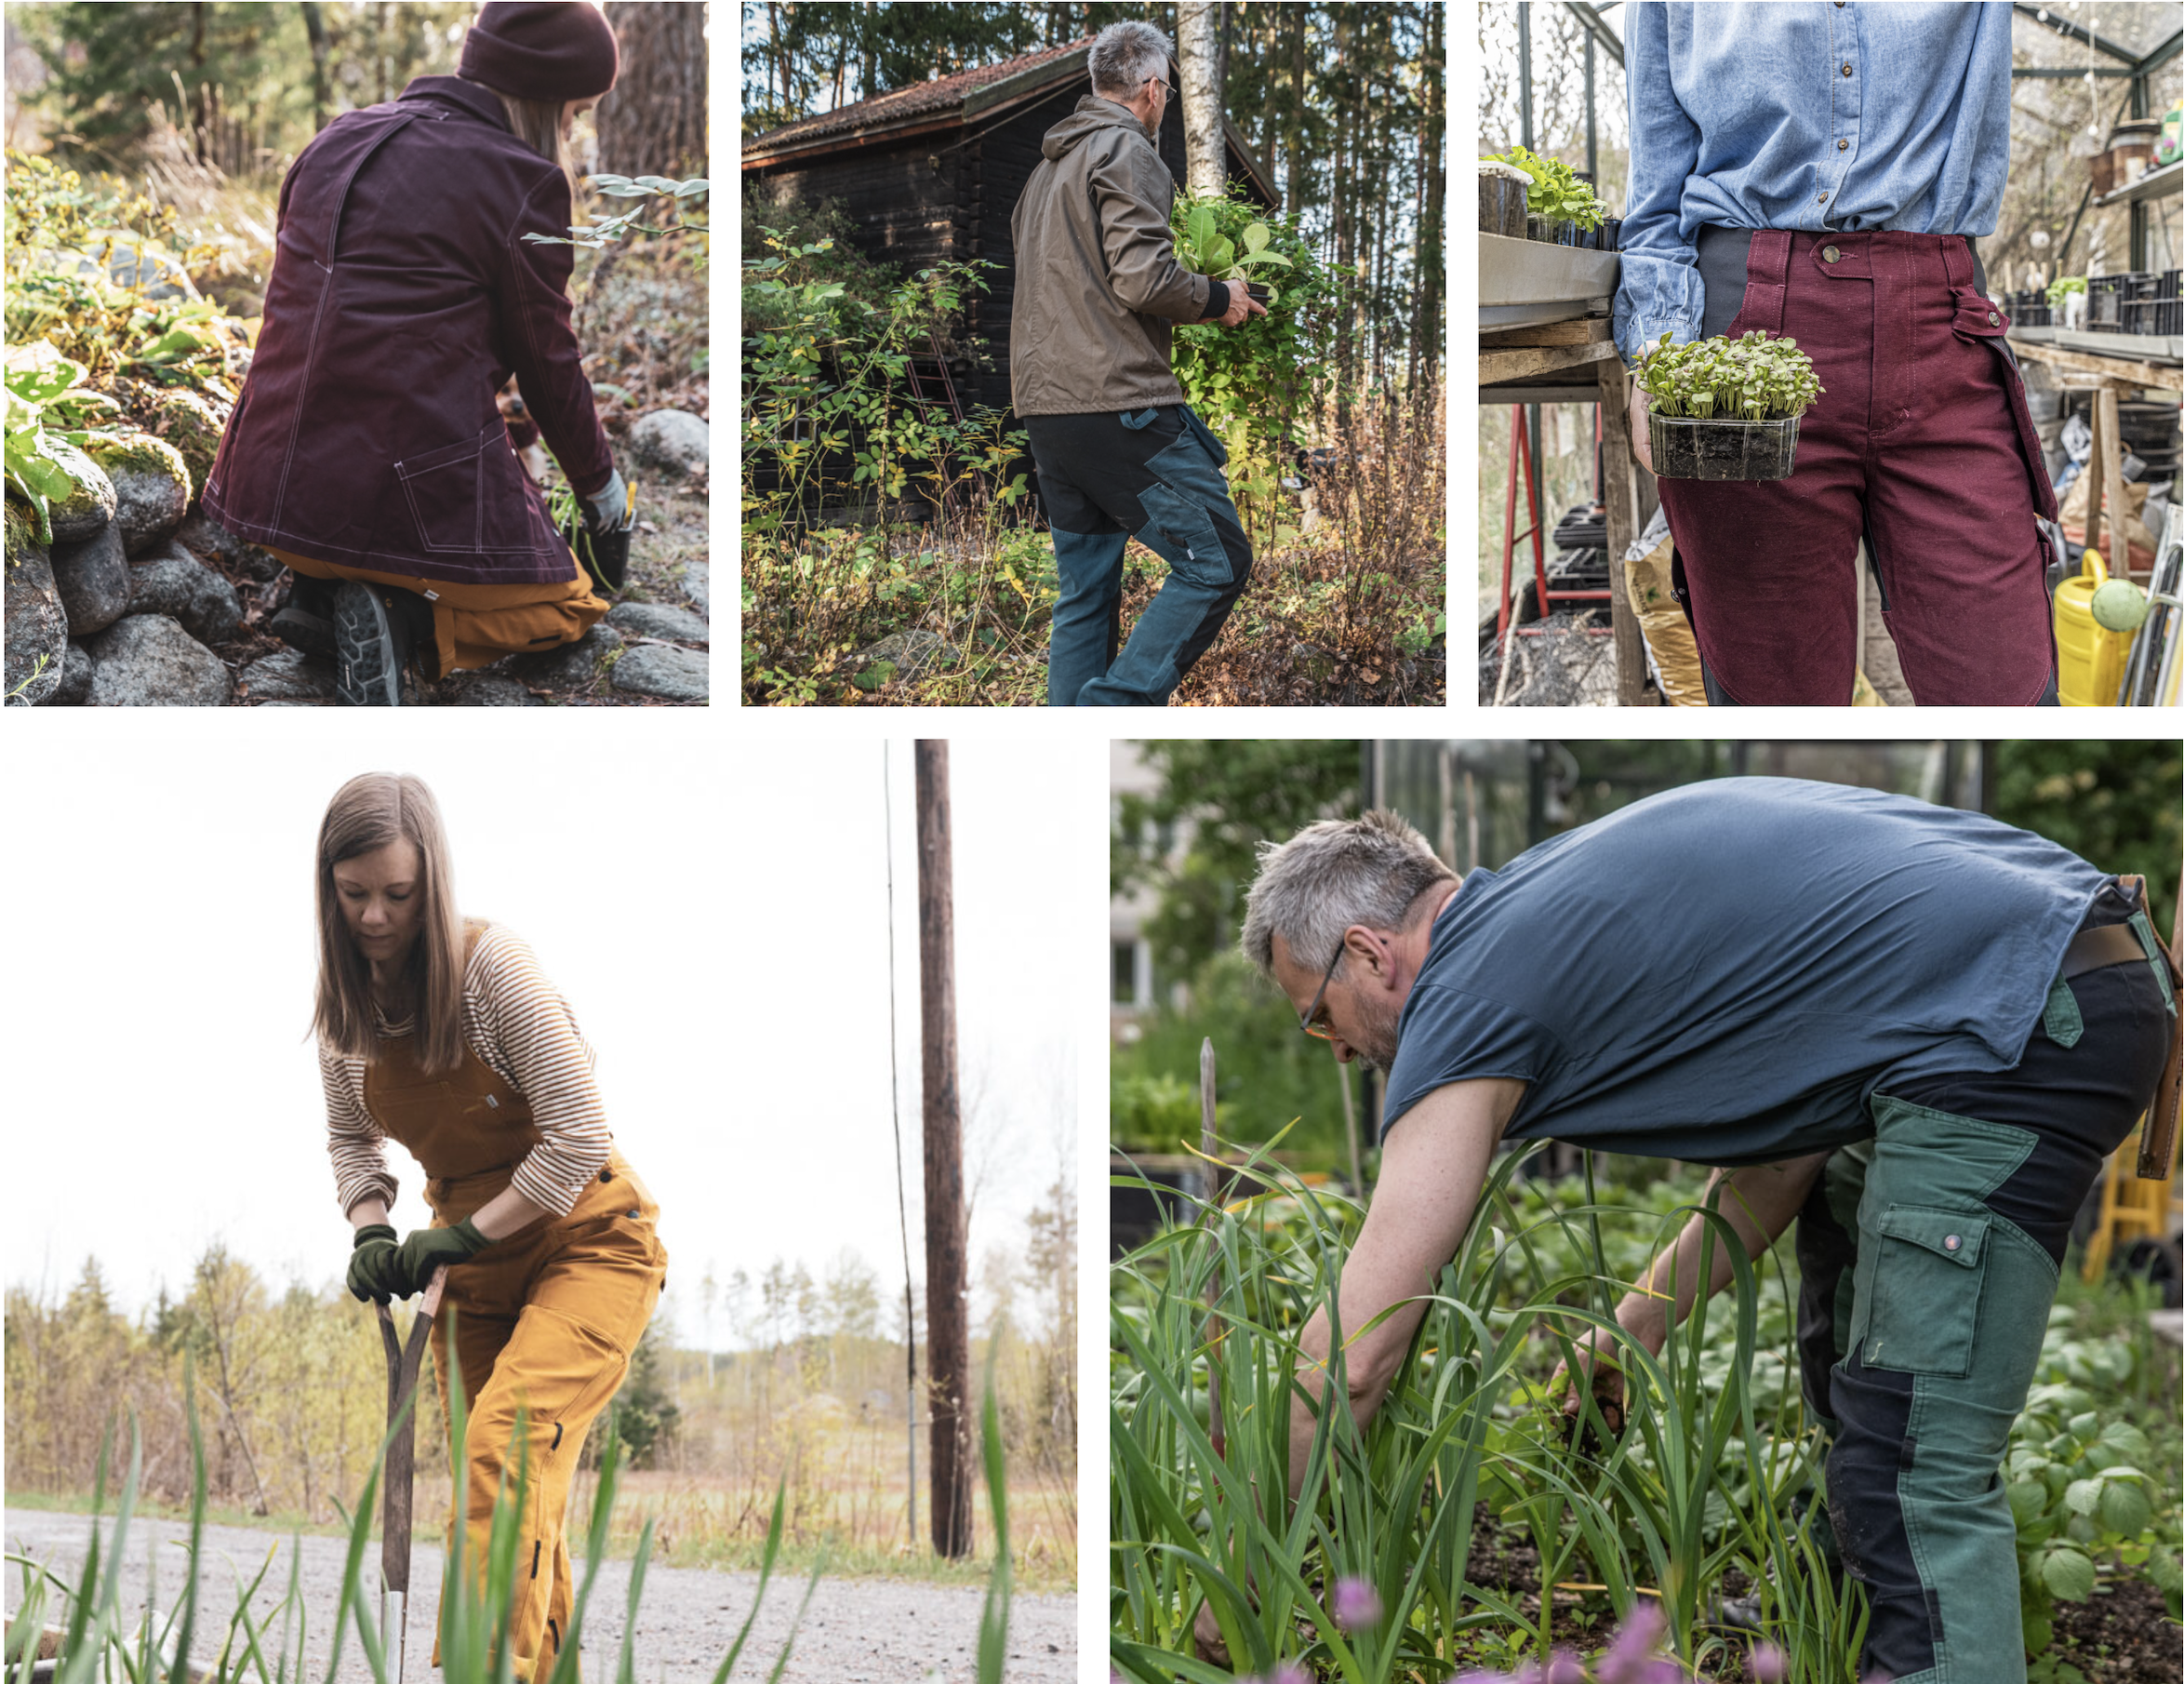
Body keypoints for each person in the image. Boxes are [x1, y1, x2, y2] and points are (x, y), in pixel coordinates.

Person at [1221, 782, 2177, 1684]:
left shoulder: (1467, 994)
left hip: (2014, 1024)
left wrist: (1234, 1585)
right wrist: (1632, 1325)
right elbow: (1780, 1162)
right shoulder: (1543, 916)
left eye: (1318, 1016)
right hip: (2033, 986)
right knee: (1850, 1353)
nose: (1339, 1047)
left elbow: (1353, 1354)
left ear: (1367, 951)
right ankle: (1837, 1638)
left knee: (1911, 1462)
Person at [316, 772, 666, 1677]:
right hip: (469, 1279)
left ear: (431, 882)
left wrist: (468, 1232)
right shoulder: (344, 1019)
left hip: (588, 1237)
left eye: (397, 894)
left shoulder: (490, 971)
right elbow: (354, 1143)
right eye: (353, 895)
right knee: (508, 1488)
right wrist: (369, 1230)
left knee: (502, 1447)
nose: (375, 917)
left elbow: (580, 1132)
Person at [1615, 3, 2062, 706]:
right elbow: (1656, 178)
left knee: (2008, 689)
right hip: (1747, 347)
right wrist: (1661, 352)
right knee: (1773, 706)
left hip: (1940, 328)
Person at [204, 2, 635, 707]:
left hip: (267, 488)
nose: (572, 130)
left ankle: (319, 591)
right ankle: (412, 622)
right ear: (543, 96)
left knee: (379, 508)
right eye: (575, 110)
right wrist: (601, 489)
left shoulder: (336, 137)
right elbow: (549, 361)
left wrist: (511, 435)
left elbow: (350, 331)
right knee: (574, 604)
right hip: (392, 491)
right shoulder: (523, 179)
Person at [1009, 18, 1268, 707]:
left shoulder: (1042, 175)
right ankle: (1109, 708)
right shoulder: (1126, 153)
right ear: (1152, 89)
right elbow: (1143, 279)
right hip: (1115, 403)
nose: (1166, 103)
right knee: (1218, 559)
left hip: (1047, 411)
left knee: (1086, 594)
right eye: (1168, 92)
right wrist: (1220, 297)